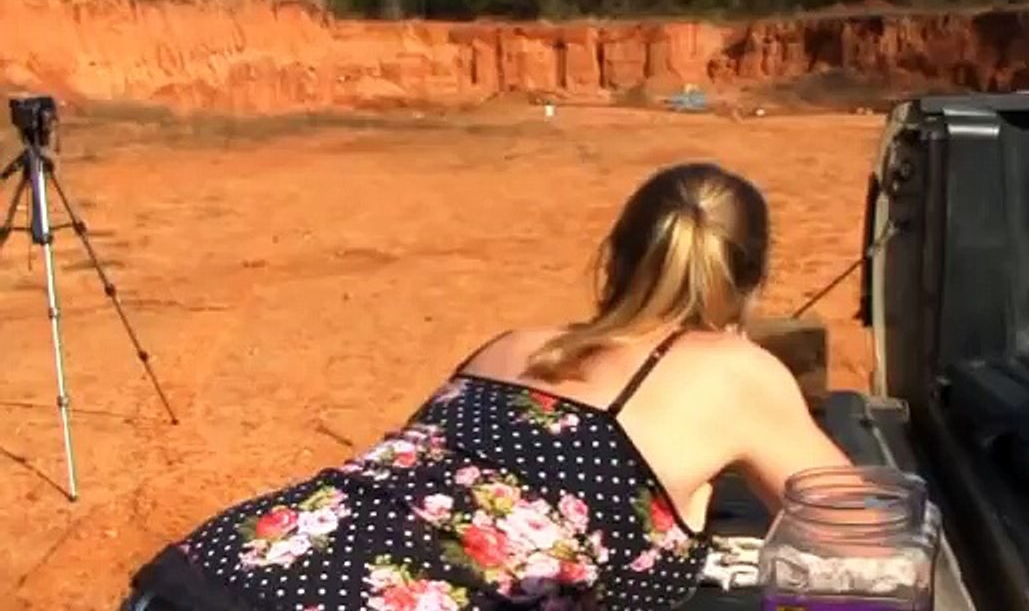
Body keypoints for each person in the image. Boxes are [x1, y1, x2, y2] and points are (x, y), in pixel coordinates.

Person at [122, 161, 853, 611]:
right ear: (752, 284)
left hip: (198, 575)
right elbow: (867, 534)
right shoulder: (738, 370)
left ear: (614, 260)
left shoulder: (515, 346)